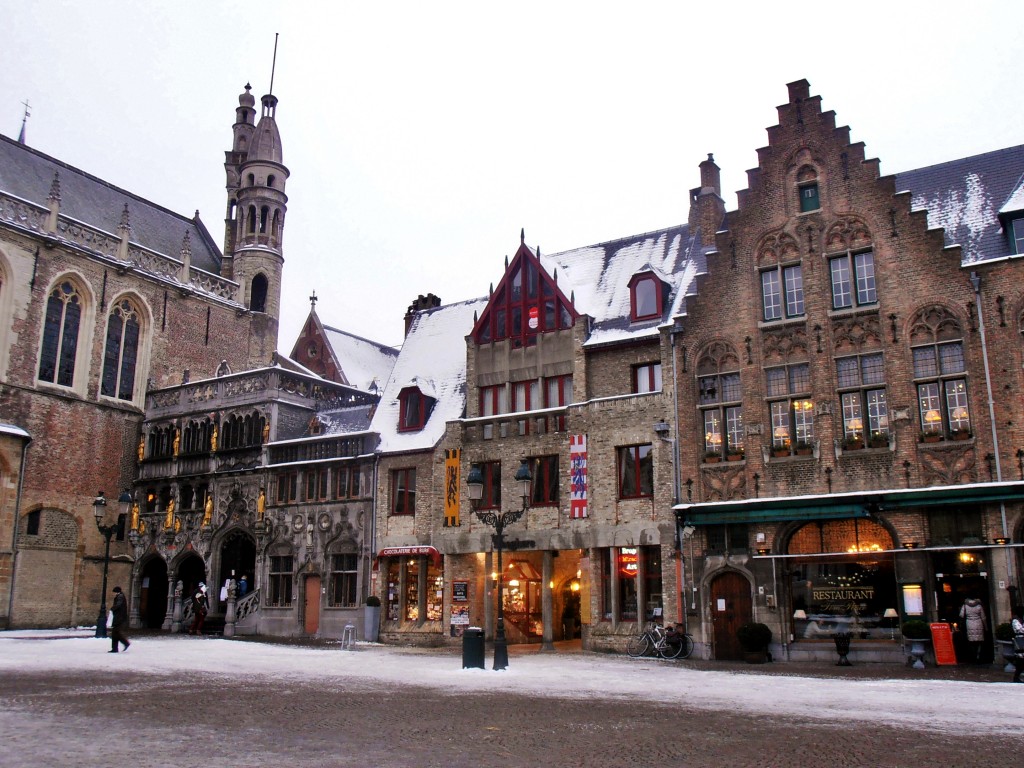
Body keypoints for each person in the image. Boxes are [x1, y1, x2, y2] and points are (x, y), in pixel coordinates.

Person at [959, 596, 987, 663]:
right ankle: (978, 655)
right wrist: (986, 627)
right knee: (979, 641)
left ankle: (973, 655)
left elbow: (961, 615)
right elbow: (983, 617)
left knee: (971, 641)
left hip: (969, 623)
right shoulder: (979, 606)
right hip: (978, 623)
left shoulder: (965, 606)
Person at [109, 586, 130, 653]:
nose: (113, 594)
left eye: (114, 592)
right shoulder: (120, 596)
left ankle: (125, 643)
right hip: (119, 617)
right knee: (115, 633)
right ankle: (115, 648)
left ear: (116, 592)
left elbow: (118, 605)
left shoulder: (120, 596)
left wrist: (112, 609)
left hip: (119, 618)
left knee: (116, 633)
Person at [1011, 607, 1024, 683]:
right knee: (1020, 659)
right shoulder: (1015, 621)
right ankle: (1016, 677)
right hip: (1019, 640)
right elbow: (1019, 629)